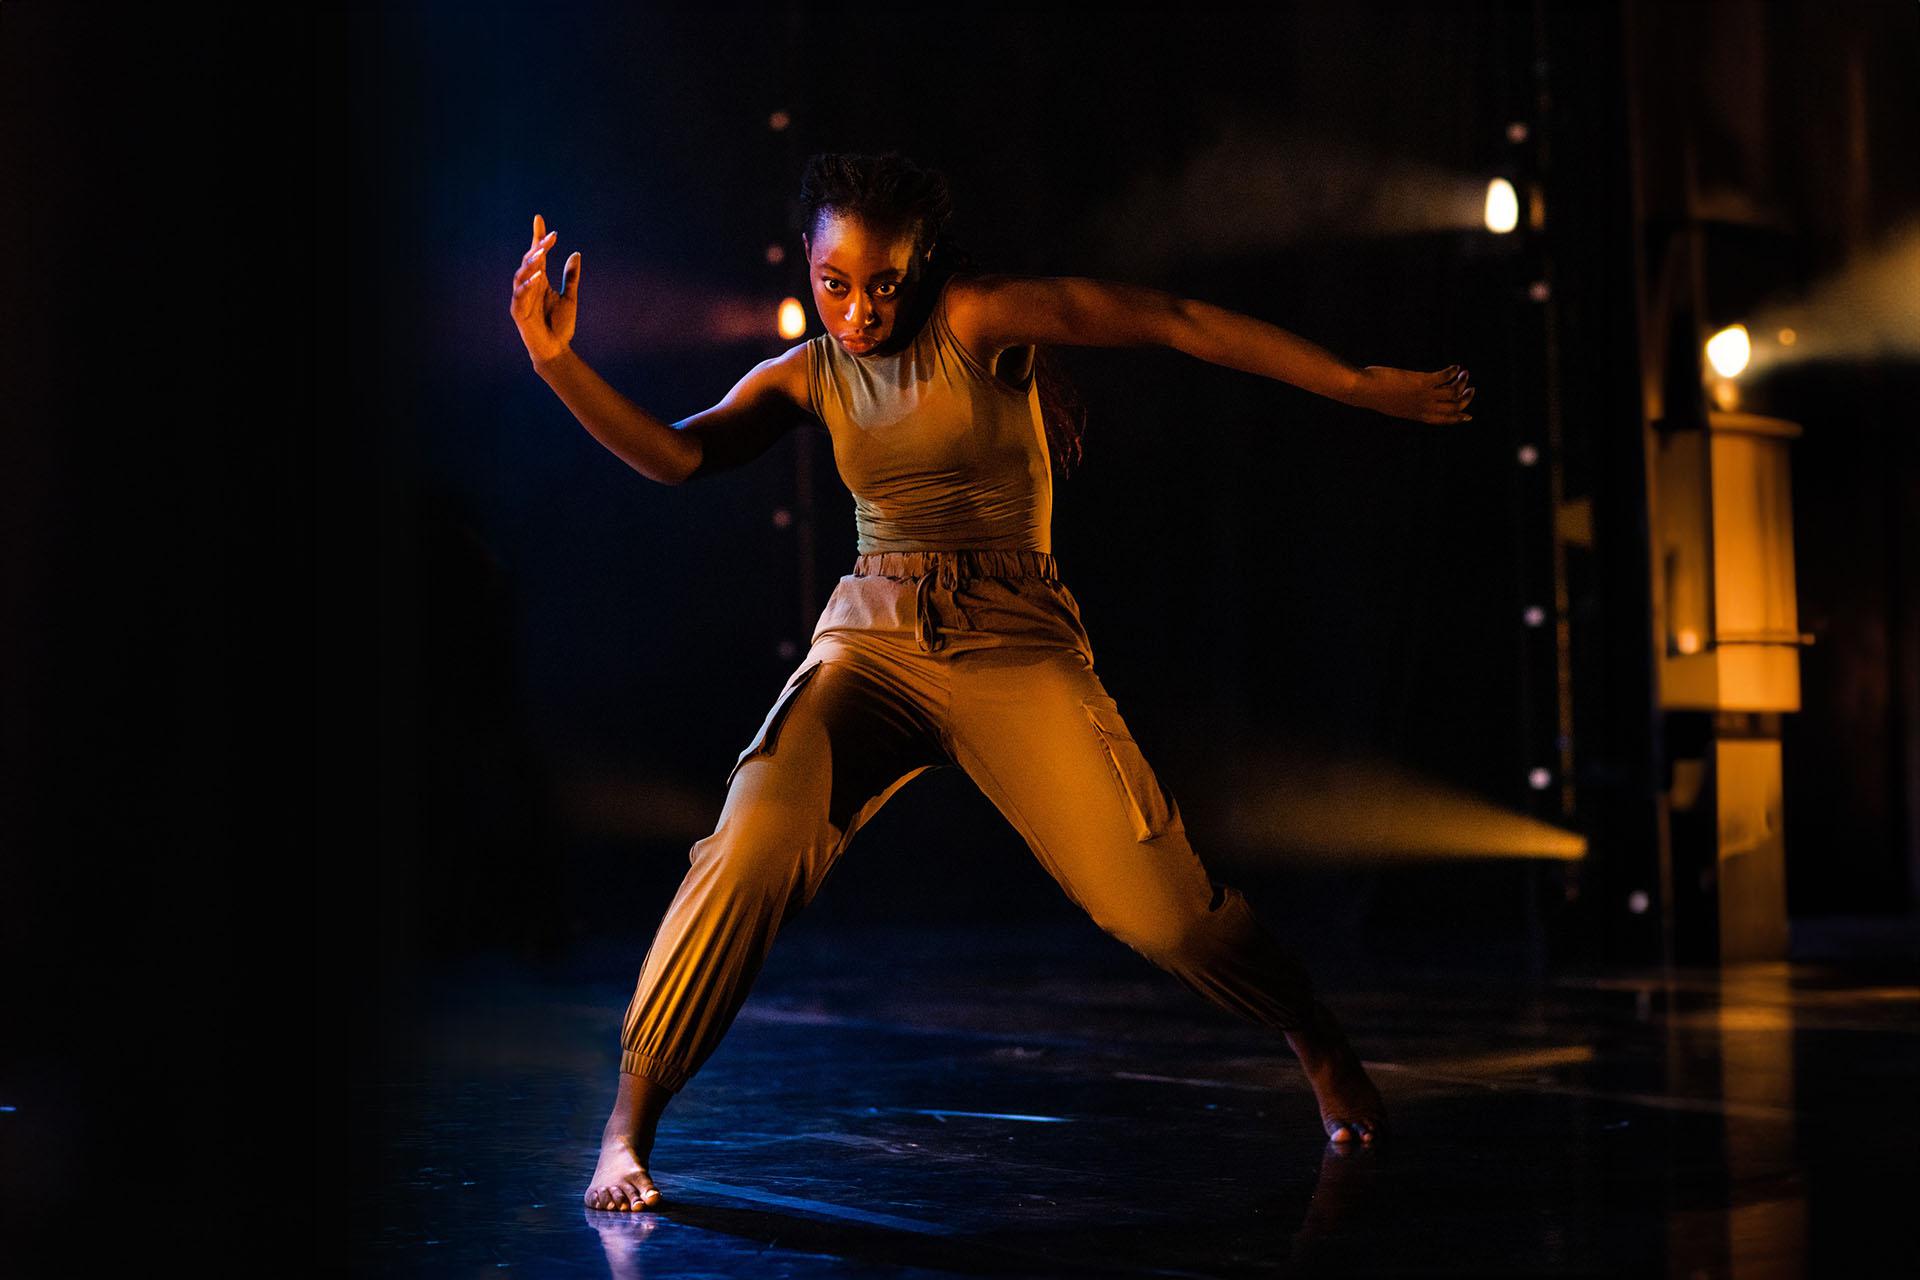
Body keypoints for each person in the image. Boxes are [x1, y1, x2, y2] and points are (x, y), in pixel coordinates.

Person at [508, 151, 1475, 1213]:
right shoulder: (807, 373)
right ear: (808, 266)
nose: (862, 309)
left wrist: (1353, 381)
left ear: (919, 267)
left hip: (1013, 639)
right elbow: (677, 456)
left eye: (884, 283)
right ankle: (627, 1128)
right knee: (747, 845)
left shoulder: (975, 319)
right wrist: (560, 363)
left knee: (1163, 914)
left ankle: (1318, 1038)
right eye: (837, 283)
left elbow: (1171, 317)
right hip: (872, 641)